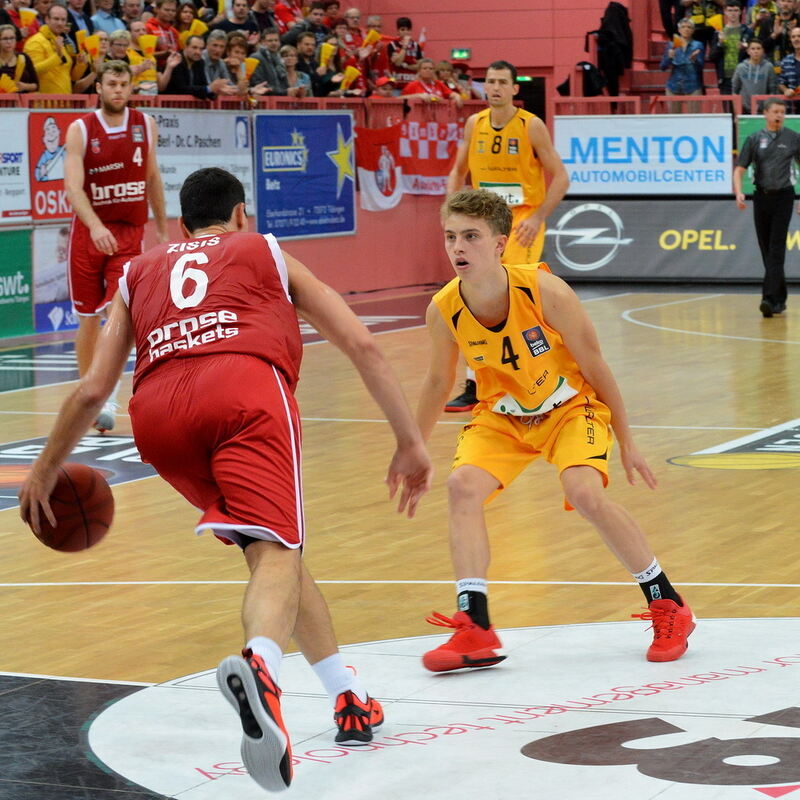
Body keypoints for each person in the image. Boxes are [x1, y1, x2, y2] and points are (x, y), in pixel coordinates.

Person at [19, 166, 433, 794]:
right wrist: (409, 440)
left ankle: (347, 696)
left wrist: (44, 469)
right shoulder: (263, 248)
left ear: (182, 226)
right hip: (243, 390)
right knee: (278, 552)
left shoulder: (138, 269)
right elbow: (361, 343)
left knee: (275, 553)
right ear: (242, 215)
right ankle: (261, 667)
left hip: (157, 416)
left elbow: (93, 389)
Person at [415, 188, 696, 674]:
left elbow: (596, 365)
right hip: (503, 416)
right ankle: (475, 625)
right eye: (451, 237)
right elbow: (438, 381)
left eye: (471, 237)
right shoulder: (443, 309)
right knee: (461, 486)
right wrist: (412, 448)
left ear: (500, 244)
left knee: (583, 492)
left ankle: (667, 603)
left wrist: (627, 440)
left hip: (570, 408)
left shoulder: (544, 291)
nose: (458, 247)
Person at [444, 59, 569, 414]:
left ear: (515, 88)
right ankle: (476, 381)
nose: (495, 87)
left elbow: (560, 176)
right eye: (490, 81)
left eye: (502, 82)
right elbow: (457, 171)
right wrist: (453, 211)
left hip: (523, 220)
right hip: (483, 221)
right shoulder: (474, 123)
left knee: (518, 297)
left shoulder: (531, 126)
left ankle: (539, 378)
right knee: (477, 293)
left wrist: (540, 215)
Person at [64, 61, 168, 432]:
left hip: (127, 233)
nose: (118, 90)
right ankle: (87, 393)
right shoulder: (80, 129)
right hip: (88, 235)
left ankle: (108, 395)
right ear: (101, 88)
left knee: (118, 312)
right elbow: (73, 187)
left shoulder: (145, 125)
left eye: (124, 84)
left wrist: (162, 228)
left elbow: (152, 177)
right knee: (88, 318)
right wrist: (93, 226)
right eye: (112, 84)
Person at [733, 98, 800, 317]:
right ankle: (780, 299)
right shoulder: (754, 139)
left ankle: (769, 299)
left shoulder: (793, 138)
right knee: (766, 248)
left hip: (784, 197)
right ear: (765, 114)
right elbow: (740, 169)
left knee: (776, 248)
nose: (780, 116)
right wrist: (738, 191)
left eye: (783, 112)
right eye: (775, 112)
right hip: (761, 197)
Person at [24, 3, 87, 93]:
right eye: (56, 19)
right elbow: (33, 71)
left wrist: (80, 64)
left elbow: (73, 77)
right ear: (47, 19)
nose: (60, 23)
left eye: (63, 19)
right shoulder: (35, 42)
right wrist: (58, 56)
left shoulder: (62, 41)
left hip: (65, 101)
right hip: (42, 103)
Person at [660, 17, 705, 111]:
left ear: (693, 30)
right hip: (674, 85)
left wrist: (694, 60)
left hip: (693, 85)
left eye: (689, 27)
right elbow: (663, 67)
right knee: (674, 118)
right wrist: (669, 57)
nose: (686, 29)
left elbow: (701, 67)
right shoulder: (671, 45)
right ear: (679, 30)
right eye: (683, 27)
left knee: (694, 118)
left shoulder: (698, 45)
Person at [709, 1, 750, 96]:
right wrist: (720, 43)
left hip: (744, 75)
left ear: (740, 12)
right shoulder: (718, 33)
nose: (733, 13)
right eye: (730, 10)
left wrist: (745, 49)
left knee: (745, 109)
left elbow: (755, 52)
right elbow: (712, 57)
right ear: (725, 12)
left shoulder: (747, 32)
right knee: (728, 109)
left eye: (736, 10)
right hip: (725, 76)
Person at [732, 38, 778, 112]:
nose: (756, 51)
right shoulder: (740, 67)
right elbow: (735, 92)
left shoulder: (768, 67)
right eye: (753, 49)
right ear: (748, 51)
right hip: (744, 111)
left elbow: (773, 91)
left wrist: (769, 110)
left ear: (763, 51)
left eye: (758, 48)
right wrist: (737, 114)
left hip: (764, 111)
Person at [387, 16, 422, 90]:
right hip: (396, 84)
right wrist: (404, 46)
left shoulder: (416, 46)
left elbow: (419, 66)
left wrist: (406, 65)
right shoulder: (392, 45)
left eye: (408, 29)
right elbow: (398, 63)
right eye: (403, 29)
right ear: (398, 31)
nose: (406, 32)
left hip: (411, 84)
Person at [0, 23, 38, 91]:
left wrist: (25, 86)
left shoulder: (24, 58)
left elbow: (36, 85)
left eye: (12, 38)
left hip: (21, 99)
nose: (9, 42)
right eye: (5, 39)